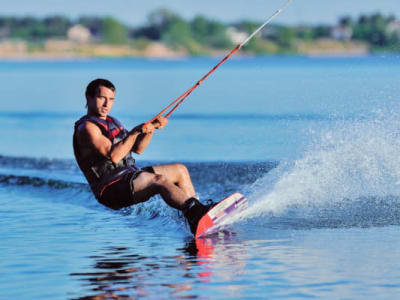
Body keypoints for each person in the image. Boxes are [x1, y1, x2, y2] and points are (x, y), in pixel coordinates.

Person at [73, 78, 215, 234]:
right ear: (89, 97)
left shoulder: (112, 121)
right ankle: (196, 212)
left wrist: (151, 129)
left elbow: (137, 148)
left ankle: (196, 218)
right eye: (102, 98)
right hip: (110, 189)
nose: (107, 104)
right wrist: (135, 131)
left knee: (180, 170)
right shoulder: (87, 128)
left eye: (111, 99)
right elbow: (114, 156)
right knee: (159, 181)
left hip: (128, 177)